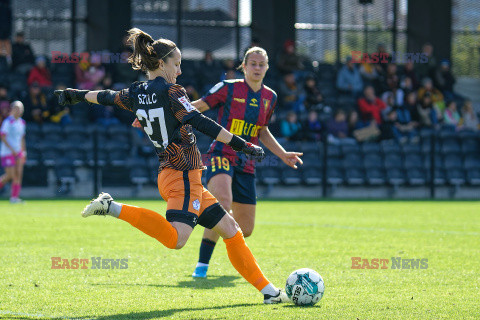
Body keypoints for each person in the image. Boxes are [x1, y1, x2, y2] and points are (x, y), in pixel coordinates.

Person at [54, 28, 289, 304]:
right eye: (176, 64)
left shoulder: (136, 92)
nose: (179, 71)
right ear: (161, 63)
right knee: (176, 240)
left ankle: (269, 292)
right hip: (183, 177)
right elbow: (200, 121)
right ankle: (112, 207)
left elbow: (105, 96)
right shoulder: (171, 90)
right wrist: (243, 144)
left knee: (232, 230)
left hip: (180, 177)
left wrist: (75, 95)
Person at [187, 46, 303, 278]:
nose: (257, 68)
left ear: (267, 67)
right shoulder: (228, 88)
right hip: (221, 153)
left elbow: (263, 131)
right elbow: (198, 105)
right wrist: (166, 115)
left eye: (262, 64)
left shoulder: (270, 97)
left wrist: (282, 154)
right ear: (244, 66)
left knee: (246, 229)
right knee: (222, 202)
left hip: (247, 161)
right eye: (253, 64)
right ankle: (201, 266)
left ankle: (216, 233)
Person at [0, 101, 26, 203]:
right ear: (12, 109)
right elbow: (3, 136)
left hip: (18, 152)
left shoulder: (22, 122)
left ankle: (14, 198)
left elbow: (22, 138)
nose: (19, 110)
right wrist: (12, 150)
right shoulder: (8, 122)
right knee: (10, 175)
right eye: (17, 108)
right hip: (7, 152)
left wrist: (23, 152)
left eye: (20, 108)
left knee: (18, 174)